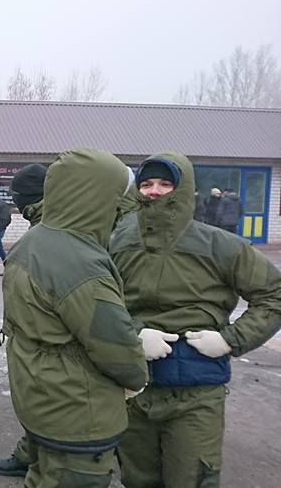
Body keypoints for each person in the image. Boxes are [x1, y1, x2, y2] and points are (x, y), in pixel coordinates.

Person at [112, 153, 281, 488]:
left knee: (190, 479)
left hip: (195, 393)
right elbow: (98, 303)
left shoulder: (220, 245)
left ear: (184, 189)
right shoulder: (118, 241)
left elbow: (274, 295)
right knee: (137, 478)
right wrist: (132, 334)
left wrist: (231, 339)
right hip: (133, 386)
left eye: (165, 183)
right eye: (147, 184)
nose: (154, 191)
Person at [2, 148, 148, 487]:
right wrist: (136, 376)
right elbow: (114, 345)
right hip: (79, 413)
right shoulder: (80, 263)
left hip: (40, 396)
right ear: (99, 197)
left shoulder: (33, 241)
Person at [0, 163, 47, 478]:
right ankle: (30, 454)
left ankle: (38, 462)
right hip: (33, 333)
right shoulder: (42, 227)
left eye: (18, 195)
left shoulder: (49, 232)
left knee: (42, 401)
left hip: (45, 338)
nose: (15, 202)